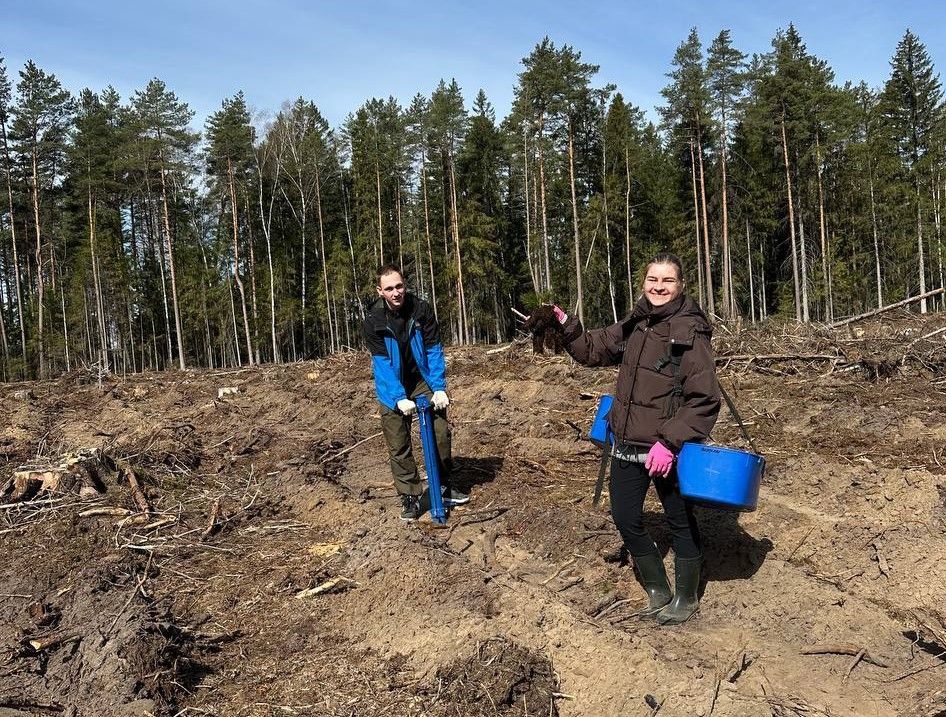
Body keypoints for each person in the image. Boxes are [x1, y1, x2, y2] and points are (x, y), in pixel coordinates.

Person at [555, 253, 720, 625]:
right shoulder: (637, 321)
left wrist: (671, 442)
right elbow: (593, 350)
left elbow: (705, 398)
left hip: (665, 448)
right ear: (643, 283)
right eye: (652, 280)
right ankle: (658, 589)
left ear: (680, 286)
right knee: (625, 516)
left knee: (679, 519)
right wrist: (566, 324)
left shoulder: (688, 330)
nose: (658, 287)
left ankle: (687, 597)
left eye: (667, 281)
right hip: (627, 441)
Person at [363, 264, 469, 521]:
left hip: (421, 378)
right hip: (392, 385)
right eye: (389, 289)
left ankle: (443, 486)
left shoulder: (421, 310)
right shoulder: (373, 321)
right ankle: (410, 495)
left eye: (399, 286)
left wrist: (439, 388)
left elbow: (433, 350)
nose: (396, 292)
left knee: (440, 430)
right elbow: (383, 365)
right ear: (380, 291)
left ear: (405, 286)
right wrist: (398, 397)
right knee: (398, 443)